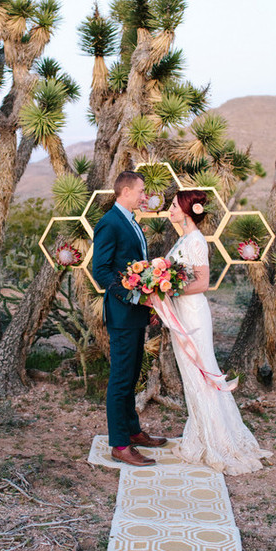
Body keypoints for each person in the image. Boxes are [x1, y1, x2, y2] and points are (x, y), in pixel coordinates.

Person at [165, 189, 271, 474]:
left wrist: (168, 287)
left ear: (189, 211)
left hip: (193, 314)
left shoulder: (196, 241)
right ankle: (200, 434)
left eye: (174, 206)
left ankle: (218, 441)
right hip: (181, 312)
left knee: (202, 372)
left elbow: (203, 283)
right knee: (191, 375)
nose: (170, 210)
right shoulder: (182, 239)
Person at [92, 171, 168, 467]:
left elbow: (139, 270)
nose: (144, 196)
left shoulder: (132, 221)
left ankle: (133, 431)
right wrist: (133, 298)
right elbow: (101, 271)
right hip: (123, 314)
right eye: (141, 191)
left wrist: (147, 306)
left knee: (133, 375)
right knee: (121, 380)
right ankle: (120, 445)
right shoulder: (109, 223)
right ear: (125, 191)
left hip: (136, 313)